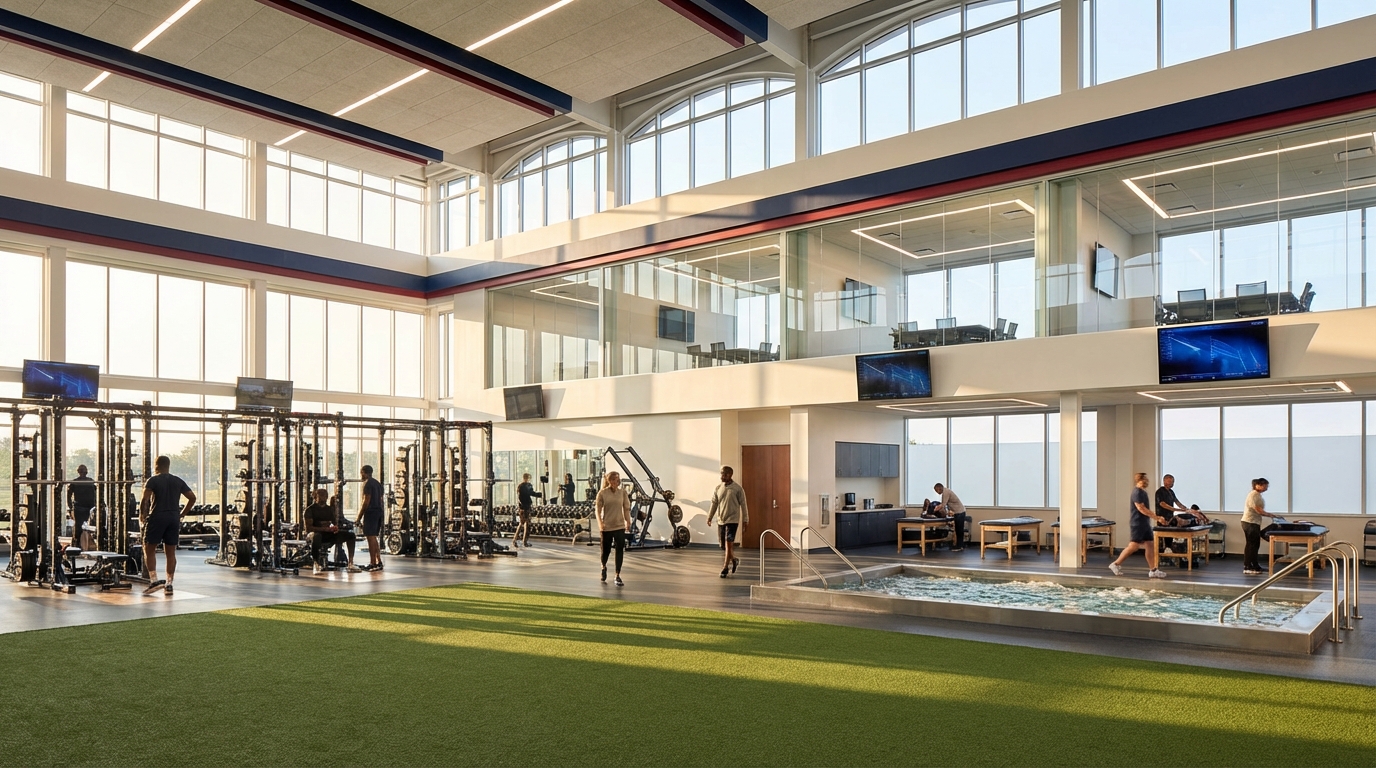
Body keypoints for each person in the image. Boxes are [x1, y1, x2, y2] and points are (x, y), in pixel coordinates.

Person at [138, 455, 196, 594]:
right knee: (170, 552)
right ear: (168, 465)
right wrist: (181, 514)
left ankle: (153, 581)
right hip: (173, 518)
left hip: (157, 517)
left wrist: (142, 516)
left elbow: (144, 499)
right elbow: (192, 498)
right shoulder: (178, 481)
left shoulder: (153, 480)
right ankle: (169, 584)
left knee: (149, 549)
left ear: (156, 465)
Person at [1109, 472, 1166, 579]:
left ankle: (1153, 570)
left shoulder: (1143, 492)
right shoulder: (1137, 493)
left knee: (1150, 545)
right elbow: (1141, 508)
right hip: (1137, 524)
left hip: (1145, 523)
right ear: (1140, 480)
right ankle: (1115, 564)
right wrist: (1157, 518)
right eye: (1145, 479)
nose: (1147, 481)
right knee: (1133, 546)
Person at [706, 466, 748, 578]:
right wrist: (709, 517)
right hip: (721, 520)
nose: (722, 477)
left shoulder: (738, 489)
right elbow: (714, 503)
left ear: (730, 475)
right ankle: (734, 560)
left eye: (724, 474)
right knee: (724, 546)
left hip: (732, 520)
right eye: (721, 474)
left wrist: (745, 520)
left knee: (729, 544)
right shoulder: (718, 488)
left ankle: (725, 567)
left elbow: (743, 505)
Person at [305, 488, 360, 574]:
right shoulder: (310, 510)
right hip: (314, 534)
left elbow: (333, 523)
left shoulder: (329, 509)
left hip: (327, 534)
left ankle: (350, 563)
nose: (323, 498)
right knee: (317, 536)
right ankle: (316, 564)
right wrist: (324, 529)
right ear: (315, 497)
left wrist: (335, 528)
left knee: (351, 535)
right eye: (321, 496)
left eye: (325, 496)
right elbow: (309, 528)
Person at [595, 471, 631, 586]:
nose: (617, 482)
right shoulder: (602, 493)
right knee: (606, 551)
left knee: (619, 550)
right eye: (615, 480)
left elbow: (626, 508)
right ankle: (603, 566)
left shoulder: (623, 493)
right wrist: (600, 523)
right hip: (607, 527)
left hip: (619, 526)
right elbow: (598, 510)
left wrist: (628, 521)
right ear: (609, 481)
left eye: (618, 479)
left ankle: (617, 575)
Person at [1241, 477, 1277, 575]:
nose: (1266, 488)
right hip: (1249, 522)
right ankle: (1247, 566)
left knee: (1255, 544)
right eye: (1265, 485)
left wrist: (1269, 514)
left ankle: (1255, 565)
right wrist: (1269, 515)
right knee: (1251, 544)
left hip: (1254, 522)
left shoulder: (1258, 495)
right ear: (1258, 485)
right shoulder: (1253, 495)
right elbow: (1258, 509)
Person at [354, 465, 385, 571]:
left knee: (370, 537)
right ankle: (378, 561)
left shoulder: (367, 484)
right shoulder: (378, 484)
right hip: (379, 512)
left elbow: (366, 501)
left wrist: (359, 517)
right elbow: (381, 500)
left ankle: (373, 563)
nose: (361, 476)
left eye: (361, 473)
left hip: (371, 512)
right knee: (374, 537)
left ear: (363, 472)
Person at [1154, 474, 1189, 553]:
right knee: (1164, 535)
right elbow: (1163, 504)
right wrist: (1176, 509)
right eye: (1170, 481)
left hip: (1170, 517)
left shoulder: (1171, 492)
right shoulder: (1160, 492)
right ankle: (1162, 551)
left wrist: (1186, 509)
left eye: (1173, 481)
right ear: (1164, 481)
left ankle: (1169, 548)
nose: (1172, 483)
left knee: (1170, 535)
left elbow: (1177, 502)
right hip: (1162, 518)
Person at [929, 483, 967, 552]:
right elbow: (946, 505)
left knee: (959, 530)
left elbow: (943, 504)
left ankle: (960, 546)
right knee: (958, 530)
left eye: (936, 490)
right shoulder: (946, 491)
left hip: (960, 512)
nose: (937, 493)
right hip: (958, 512)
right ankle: (960, 545)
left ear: (939, 488)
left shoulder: (946, 492)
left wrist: (933, 510)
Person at [67, 464, 97, 549]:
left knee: (82, 528)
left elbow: (96, 494)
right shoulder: (88, 482)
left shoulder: (89, 482)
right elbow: (69, 495)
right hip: (82, 508)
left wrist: (70, 506)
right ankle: (78, 545)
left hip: (87, 508)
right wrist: (70, 507)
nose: (83, 473)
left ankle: (81, 544)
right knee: (79, 528)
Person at [515, 473, 543, 547]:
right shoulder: (522, 486)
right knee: (525, 524)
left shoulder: (523, 486)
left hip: (525, 507)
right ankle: (523, 541)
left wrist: (538, 495)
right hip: (524, 508)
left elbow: (531, 493)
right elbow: (521, 497)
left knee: (522, 523)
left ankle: (516, 540)